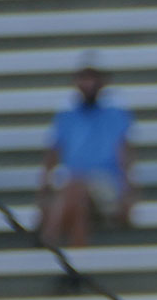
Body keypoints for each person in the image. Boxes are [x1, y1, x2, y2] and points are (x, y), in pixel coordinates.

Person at [39, 53, 135, 255]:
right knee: (77, 197)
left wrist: (128, 197)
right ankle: (76, 261)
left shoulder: (115, 114)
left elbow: (125, 157)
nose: (88, 83)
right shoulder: (66, 116)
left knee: (74, 188)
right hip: (74, 185)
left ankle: (48, 241)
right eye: (84, 78)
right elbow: (52, 156)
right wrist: (43, 193)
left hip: (105, 183)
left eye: (92, 78)